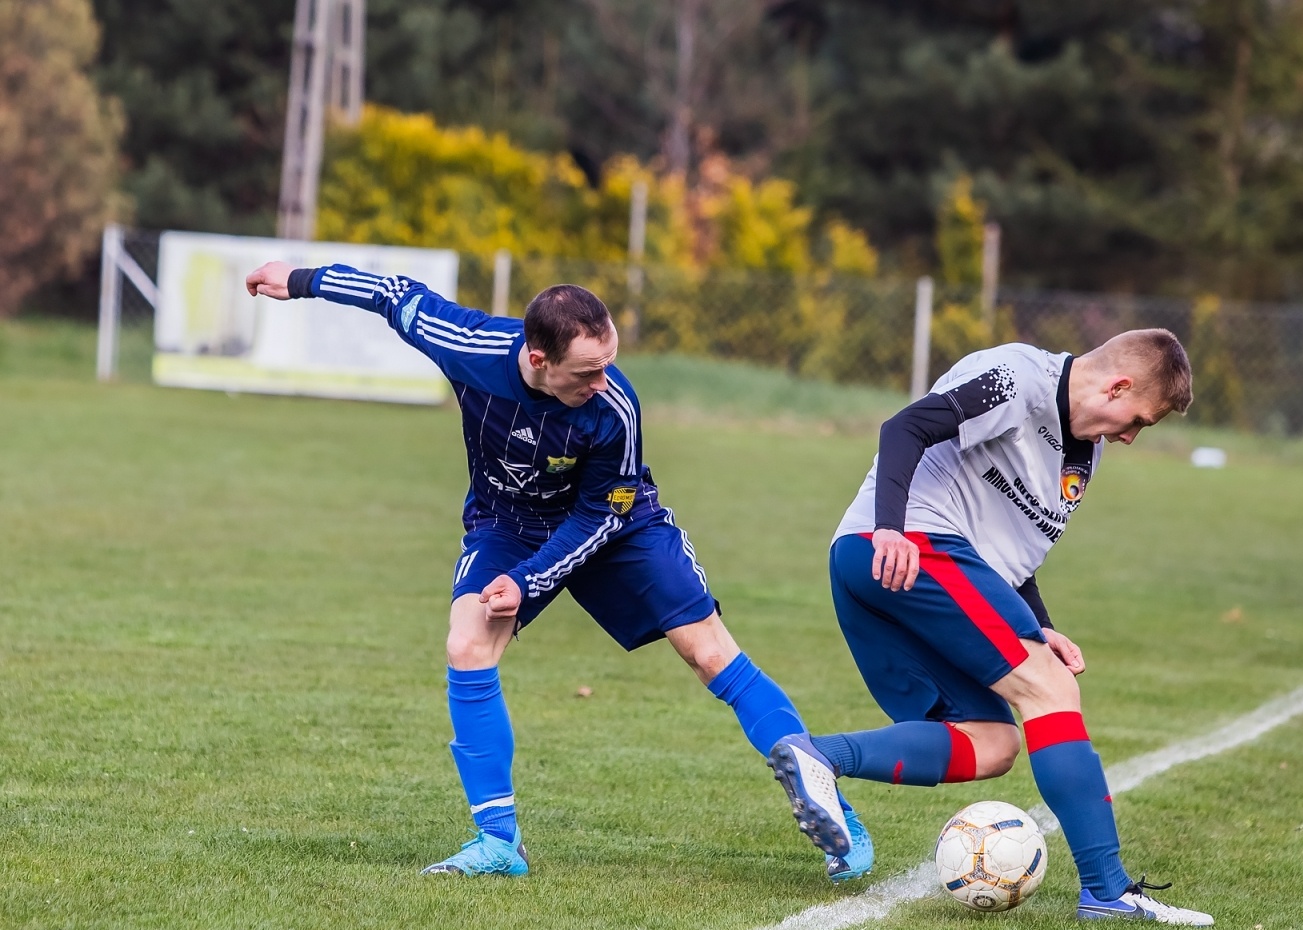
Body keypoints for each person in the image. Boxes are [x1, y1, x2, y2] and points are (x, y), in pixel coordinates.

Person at [243, 261, 872, 880]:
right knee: (466, 644)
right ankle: (497, 843)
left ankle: (834, 812)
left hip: (617, 526)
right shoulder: (472, 346)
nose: (604, 381)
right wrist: (300, 279)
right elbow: (392, 293)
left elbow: (602, 514)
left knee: (709, 652)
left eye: (608, 363)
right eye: (589, 370)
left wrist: (529, 580)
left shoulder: (615, 408)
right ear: (537, 358)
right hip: (508, 523)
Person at [763, 330, 1215, 925]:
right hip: (907, 548)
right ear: (1118, 385)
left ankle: (820, 757)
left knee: (992, 742)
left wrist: (1041, 627)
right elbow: (905, 428)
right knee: (1050, 690)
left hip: (897, 564)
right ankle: (1107, 891)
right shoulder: (1018, 378)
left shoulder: (1084, 454)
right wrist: (891, 528)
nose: (1130, 435)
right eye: (1139, 420)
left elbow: (1011, 558)